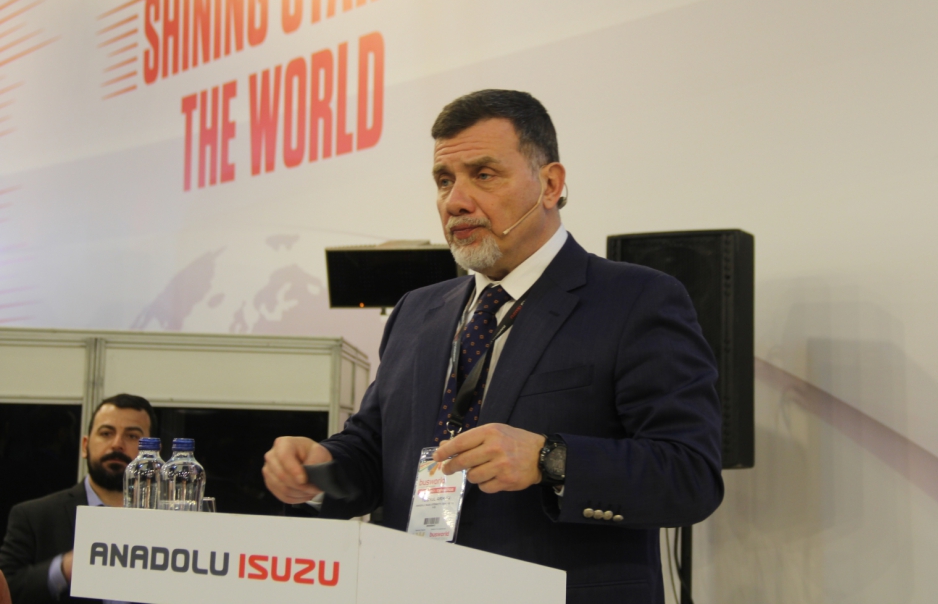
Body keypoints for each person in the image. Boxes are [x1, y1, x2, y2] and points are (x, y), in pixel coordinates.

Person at [263, 89, 723, 603]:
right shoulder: (417, 310)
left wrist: (550, 459)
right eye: (444, 181)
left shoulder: (635, 299)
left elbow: (690, 475)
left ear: (550, 184)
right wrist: (319, 468)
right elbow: (376, 451)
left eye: (483, 175)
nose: (455, 201)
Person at [0, 394, 156, 604]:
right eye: (106, 433)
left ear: (154, 451)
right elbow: (7, 587)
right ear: (85, 445)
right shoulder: (34, 516)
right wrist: (64, 569)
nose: (117, 444)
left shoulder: (170, 522)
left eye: (132, 436)